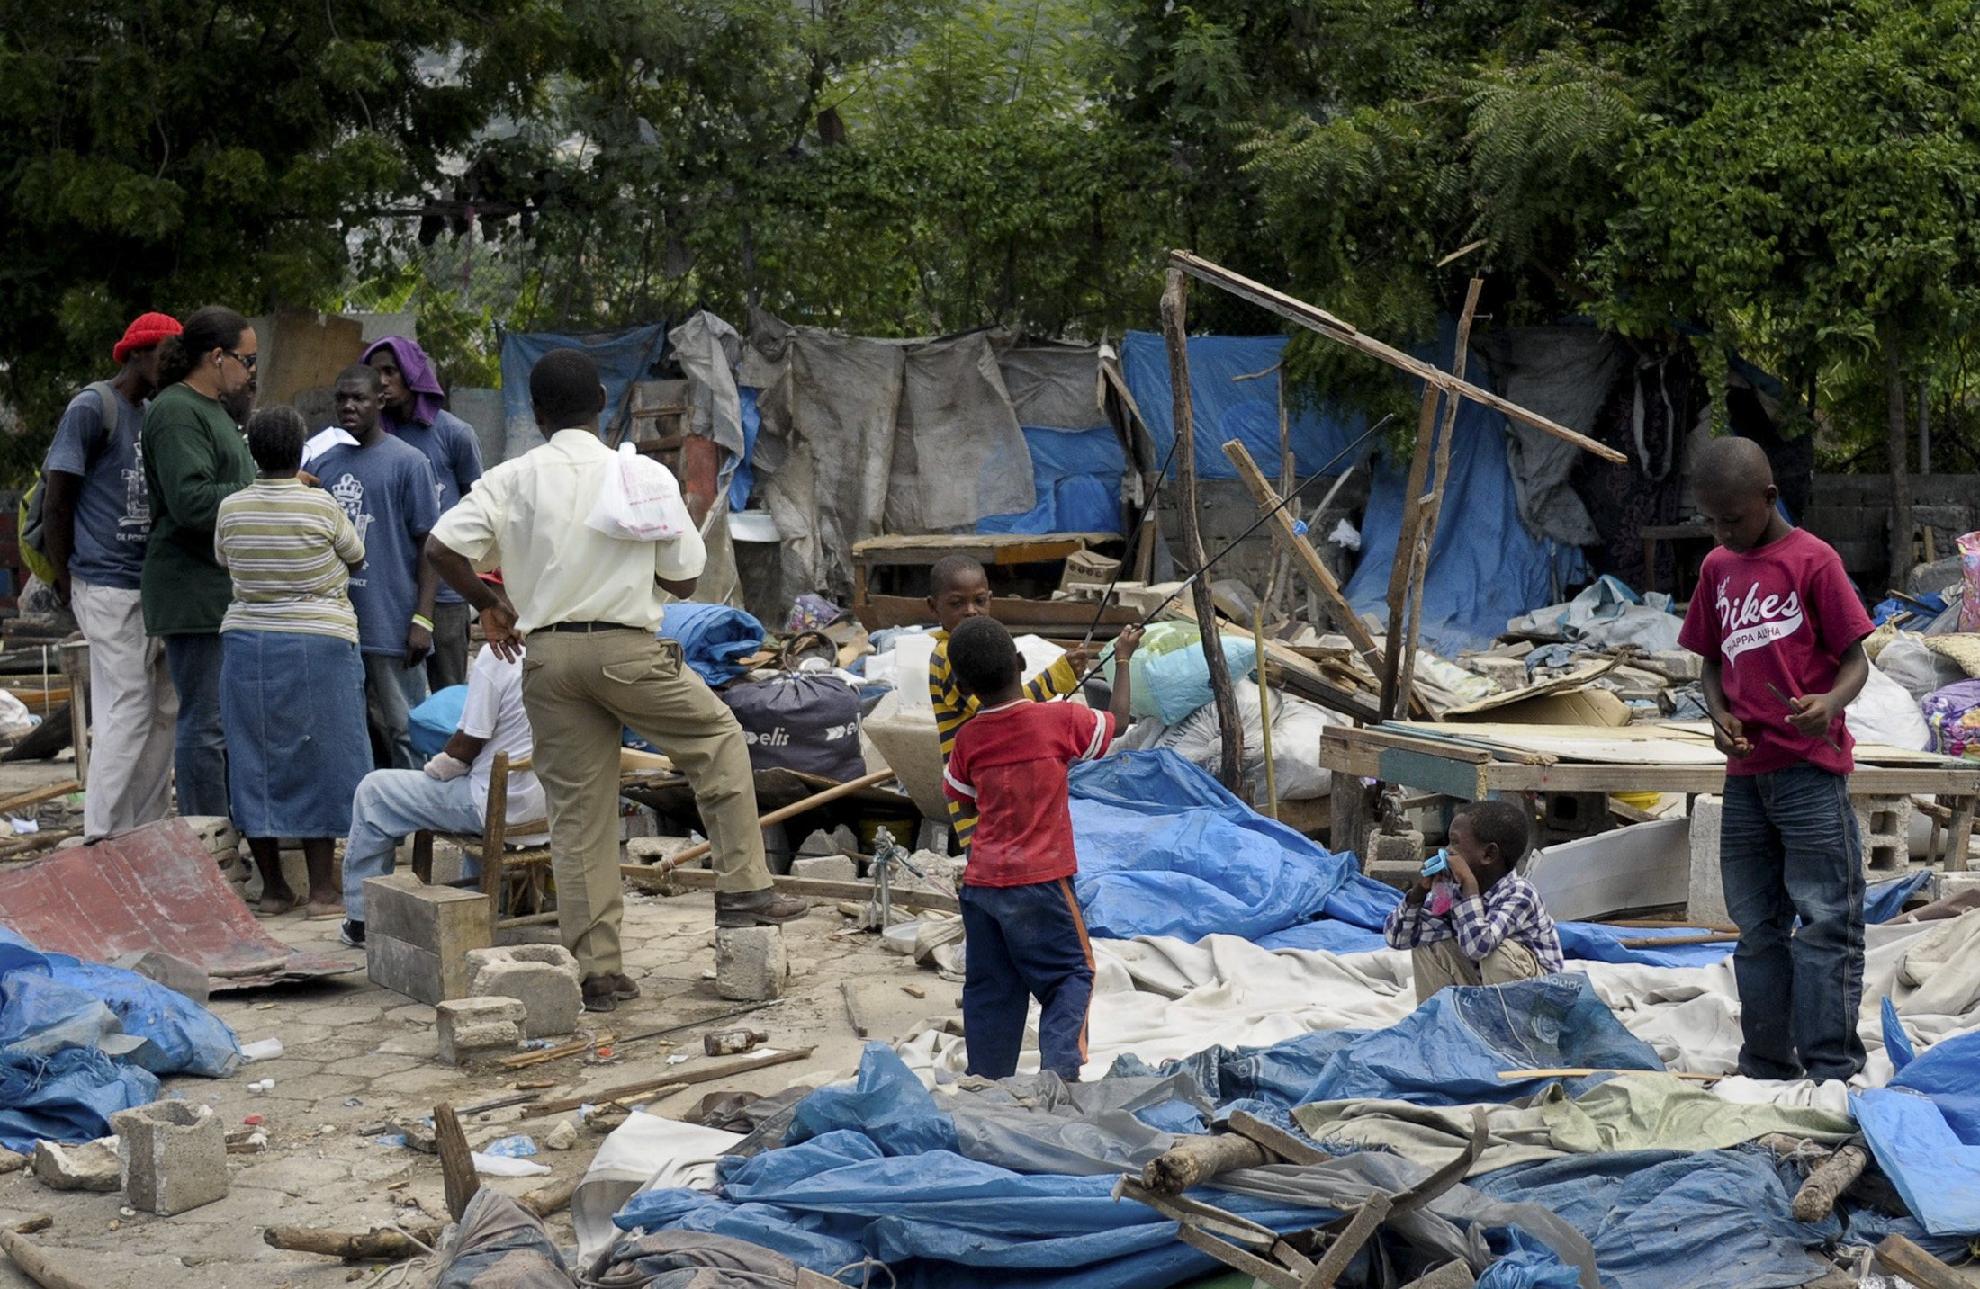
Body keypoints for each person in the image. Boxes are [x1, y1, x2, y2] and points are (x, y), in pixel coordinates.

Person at [424, 347, 806, 1013]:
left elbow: (440, 546)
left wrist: (489, 605)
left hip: (544, 660)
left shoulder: (514, 477)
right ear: (602, 404)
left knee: (578, 812)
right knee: (716, 739)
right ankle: (745, 890)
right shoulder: (637, 476)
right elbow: (684, 577)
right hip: (624, 650)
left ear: (538, 414)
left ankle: (598, 972)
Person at [1680, 434, 1874, 1082]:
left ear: (1769, 497)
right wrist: (1719, 715)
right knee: (1757, 927)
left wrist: (1829, 702)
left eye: (1731, 518)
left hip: (1810, 774)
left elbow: (1856, 661)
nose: (1722, 532)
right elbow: (1711, 662)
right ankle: (1766, 1062)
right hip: (1746, 780)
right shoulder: (1717, 569)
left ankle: (1831, 1068)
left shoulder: (1813, 561)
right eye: (1711, 520)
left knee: (1826, 921)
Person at [940, 614, 1140, 1082]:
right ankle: (1059, 1083)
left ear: (965, 685)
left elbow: (961, 797)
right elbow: (1120, 722)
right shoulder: (1061, 720)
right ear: (1020, 662)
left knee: (992, 988)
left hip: (982, 886)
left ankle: (986, 1085)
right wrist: (1123, 658)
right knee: (1070, 975)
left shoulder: (968, 738)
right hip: (1043, 882)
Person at [213, 406, 371, 916]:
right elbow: (357, 555)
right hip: (320, 641)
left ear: (251, 453)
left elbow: (224, 559)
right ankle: (324, 890)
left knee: (255, 758)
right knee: (321, 755)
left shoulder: (231, 508)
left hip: (248, 644)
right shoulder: (322, 507)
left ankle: (275, 889)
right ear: (301, 451)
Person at [42, 312, 183, 840]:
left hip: (149, 584)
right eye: (165, 354)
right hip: (103, 580)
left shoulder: (153, 412)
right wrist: (64, 579)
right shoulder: (93, 407)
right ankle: (99, 835)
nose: (171, 366)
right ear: (141, 354)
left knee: (164, 709)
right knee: (127, 704)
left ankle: (140, 832)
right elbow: (59, 499)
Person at [339, 632, 542, 949]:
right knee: (468, 786)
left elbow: (464, 748)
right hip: (552, 808)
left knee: (374, 790)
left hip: (497, 806)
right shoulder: (566, 654)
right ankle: (476, 900)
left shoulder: (499, 656)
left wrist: (434, 771)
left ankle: (361, 919)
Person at [140, 306, 258, 819]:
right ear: (217, 357)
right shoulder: (175, 411)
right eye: (247, 360)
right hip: (192, 592)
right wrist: (267, 489)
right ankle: (205, 840)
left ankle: (227, 827)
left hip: (219, 590)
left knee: (226, 723)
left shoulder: (215, 411)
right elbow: (190, 502)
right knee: (205, 724)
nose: (251, 371)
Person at [309, 365, 442, 770]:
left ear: (380, 401)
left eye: (359, 399)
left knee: (405, 727)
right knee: (345, 728)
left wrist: (423, 617)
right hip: (335, 624)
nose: (348, 406)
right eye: (341, 399)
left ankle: (418, 820)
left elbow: (430, 546)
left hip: (391, 622)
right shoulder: (322, 465)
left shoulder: (409, 463)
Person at [926, 554, 1091, 851]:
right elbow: (1004, 712)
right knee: (990, 866)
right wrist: (1057, 677)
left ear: (991, 599)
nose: (970, 611)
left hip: (997, 790)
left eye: (979, 601)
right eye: (956, 604)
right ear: (933, 606)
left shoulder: (975, 649)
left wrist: (1059, 676)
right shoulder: (950, 657)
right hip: (975, 795)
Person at [364, 336, 484, 690]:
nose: (383, 381)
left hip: (446, 592)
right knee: (389, 704)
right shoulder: (369, 438)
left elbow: (474, 506)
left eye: (391, 371)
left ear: (412, 373)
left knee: (446, 696)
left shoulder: (454, 435)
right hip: (389, 591)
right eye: (375, 373)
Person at [1383, 800, 1563, 1004]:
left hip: (1537, 1002)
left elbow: (1478, 947)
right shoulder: (1452, 888)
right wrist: (1419, 892)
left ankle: (1508, 1033)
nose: (1447, 851)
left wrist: (1469, 884)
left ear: (1488, 854)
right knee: (1427, 942)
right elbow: (1397, 939)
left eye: (1455, 843)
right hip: (1485, 993)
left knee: (1497, 956)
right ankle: (1440, 1024)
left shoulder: (1519, 894)